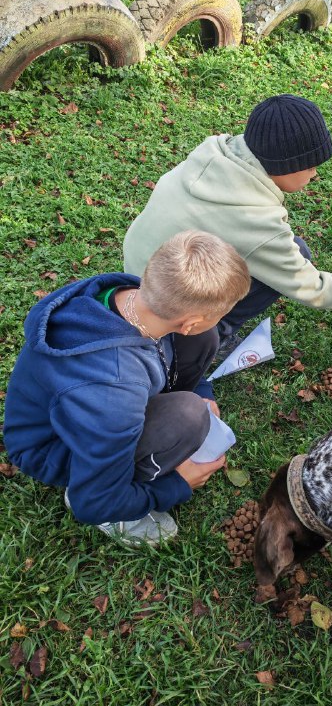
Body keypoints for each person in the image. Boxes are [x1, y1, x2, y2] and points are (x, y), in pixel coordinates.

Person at [123, 94, 332, 367]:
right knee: (292, 257)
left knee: (297, 250)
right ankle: (214, 335)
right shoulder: (256, 221)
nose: (315, 173)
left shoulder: (214, 153)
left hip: (133, 276)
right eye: (311, 166)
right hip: (163, 313)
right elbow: (314, 289)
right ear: (288, 165)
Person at [3, 230, 251, 547]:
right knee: (187, 417)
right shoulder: (113, 395)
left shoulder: (130, 294)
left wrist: (202, 391)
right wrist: (177, 484)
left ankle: (155, 425)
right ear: (189, 321)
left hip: (102, 411)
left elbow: (186, 344)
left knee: (205, 342)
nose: (221, 319)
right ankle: (117, 516)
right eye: (220, 314)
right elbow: (91, 503)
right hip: (53, 448)